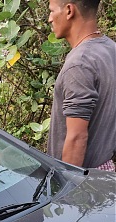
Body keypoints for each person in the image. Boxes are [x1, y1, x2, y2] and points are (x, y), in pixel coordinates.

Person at [47, 0, 116, 171]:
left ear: (69, 10)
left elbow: (77, 138)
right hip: (105, 173)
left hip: (83, 181)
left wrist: (66, 190)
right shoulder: (110, 48)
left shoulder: (79, 64)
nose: (49, 18)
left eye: (52, 11)